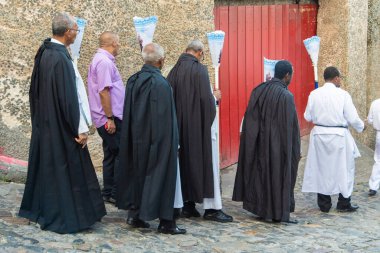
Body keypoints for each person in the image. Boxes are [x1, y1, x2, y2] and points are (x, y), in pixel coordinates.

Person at [19, 12, 106, 234]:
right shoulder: (59, 58)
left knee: (49, 170)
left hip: (48, 123)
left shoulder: (45, 53)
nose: (77, 34)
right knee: (66, 172)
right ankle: (67, 216)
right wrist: (79, 129)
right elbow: (69, 98)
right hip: (62, 127)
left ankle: (43, 211)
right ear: (67, 32)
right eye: (76, 30)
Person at [115, 43, 186, 235]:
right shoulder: (162, 84)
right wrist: (172, 143)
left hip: (136, 139)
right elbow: (166, 119)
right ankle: (167, 222)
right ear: (161, 61)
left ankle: (135, 214)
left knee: (136, 174)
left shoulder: (133, 80)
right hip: (157, 141)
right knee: (163, 177)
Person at [167, 39, 233, 223]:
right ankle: (212, 209)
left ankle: (188, 205)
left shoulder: (173, 71)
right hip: (199, 129)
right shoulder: (200, 70)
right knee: (206, 165)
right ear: (199, 53)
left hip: (180, 128)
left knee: (186, 165)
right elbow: (206, 102)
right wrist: (215, 97)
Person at [233, 60, 300, 223]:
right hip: (279, 146)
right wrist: (294, 150)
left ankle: (262, 208)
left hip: (261, 143)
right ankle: (279, 212)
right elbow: (292, 128)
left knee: (262, 175)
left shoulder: (259, 90)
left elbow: (249, 119)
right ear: (287, 75)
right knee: (280, 176)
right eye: (291, 75)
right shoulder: (287, 96)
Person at [302, 66, 364, 212]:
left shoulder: (314, 94)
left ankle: (324, 204)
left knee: (321, 169)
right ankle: (343, 203)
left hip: (319, 135)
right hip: (339, 136)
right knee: (345, 169)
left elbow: (308, 116)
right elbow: (352, 117)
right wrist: (361, 127)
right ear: (336, 78)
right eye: (340, 78)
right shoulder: (343, 95)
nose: (340, 81)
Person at [87, 31, 125, 204]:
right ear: (112, 43)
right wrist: (110, 118)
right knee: (120, 154)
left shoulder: (102, 60)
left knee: (110, 154)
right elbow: (104, 91)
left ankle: (108, 191)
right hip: (110, 118)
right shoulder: (104, 62)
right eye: (118, 43)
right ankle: (116, 193)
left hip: (108, 117)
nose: (119, 46)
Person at [367, 99, 380, 196]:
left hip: (379, 134)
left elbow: (370, 120)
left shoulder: (375, 103)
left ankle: (373, 187)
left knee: (378, 161)